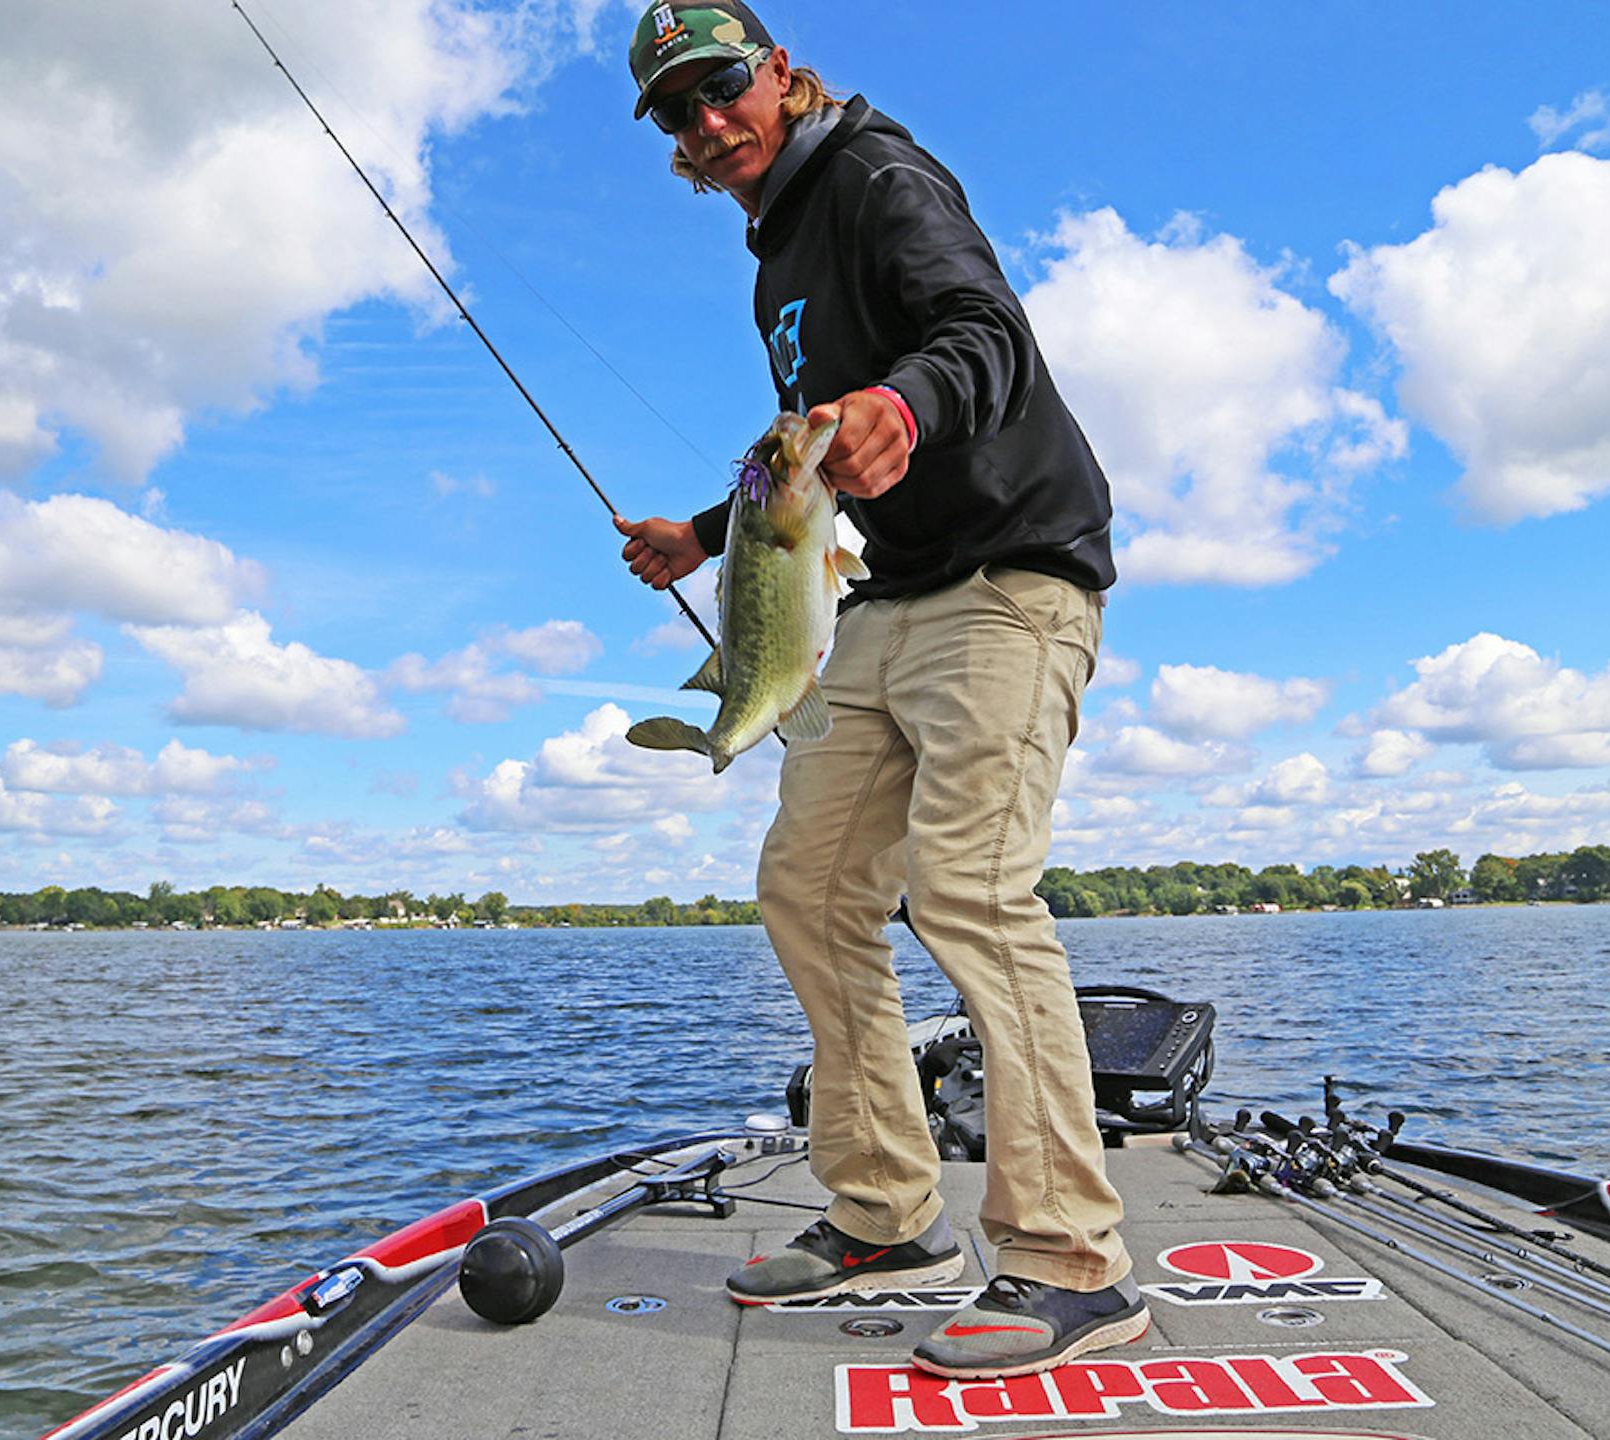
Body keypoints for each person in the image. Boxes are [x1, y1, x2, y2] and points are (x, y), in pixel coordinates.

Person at [615, 3, 1144, 1380]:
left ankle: (1070, 1264)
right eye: (679, 111)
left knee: (969, 889)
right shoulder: (773, 252)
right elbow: (798, 453)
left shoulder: (877, 177)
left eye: (723, 86)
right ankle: (886, 1215)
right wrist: (701, 530)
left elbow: (983, 332)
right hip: (890, 600)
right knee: (809, 888)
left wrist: (908, 410)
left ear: (781, 74)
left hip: (1014, 579)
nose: (708, 121)